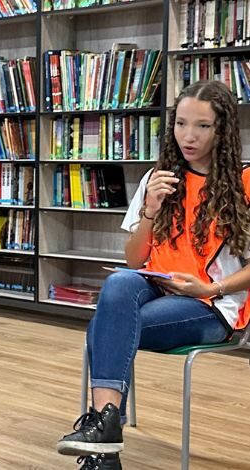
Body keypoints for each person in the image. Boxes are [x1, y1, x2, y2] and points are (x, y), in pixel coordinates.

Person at [56, 79, 250, 469]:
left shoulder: (245, 182)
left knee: (107, 326)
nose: (188, 136)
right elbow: (133, 261)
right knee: (118, 283)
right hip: (158, 289)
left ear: (223, 130)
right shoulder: (156, 178)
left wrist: (210, 286)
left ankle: (102, 444)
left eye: (202, 126)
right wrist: (151, 208)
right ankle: (107, 429)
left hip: (213, 305)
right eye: (180, 124)